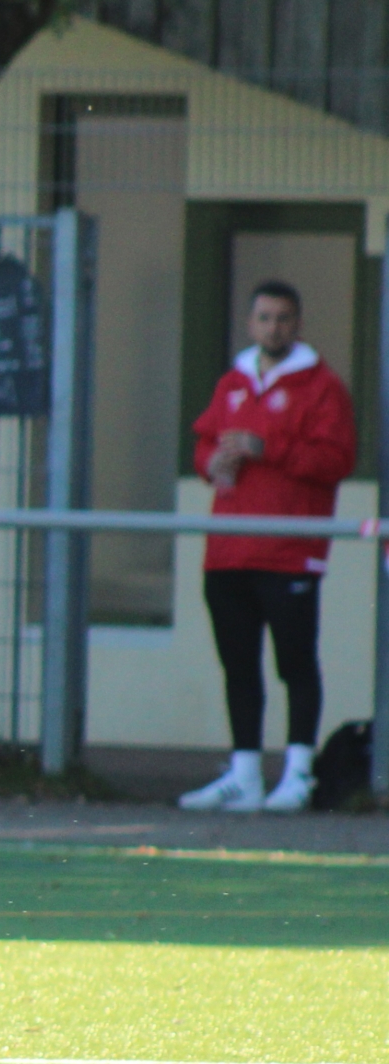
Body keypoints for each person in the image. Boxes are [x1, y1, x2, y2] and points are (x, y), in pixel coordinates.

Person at [180, 280, 356, 814]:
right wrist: (212, 463)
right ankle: (244, 774)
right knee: (238, 665)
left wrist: (268, 447)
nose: (273, 328)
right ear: (250, 323)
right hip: (229, 548)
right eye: (264, 318)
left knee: (294, 663)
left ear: (297, 324)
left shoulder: (322, 387)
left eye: (283, 318)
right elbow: (204, 443)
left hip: (289, 550)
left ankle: (298, 773)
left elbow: (337, 460)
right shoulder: (233, 381)